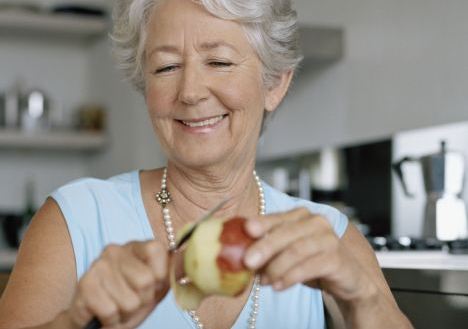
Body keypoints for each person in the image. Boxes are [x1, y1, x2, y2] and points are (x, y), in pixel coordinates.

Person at [0, 0, 413, 328]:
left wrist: (363, 297)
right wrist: (75, 323)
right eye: (166, 67)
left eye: (219, 62)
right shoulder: (74, 221)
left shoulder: (328, 237)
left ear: (275, 84)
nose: (191, 92)